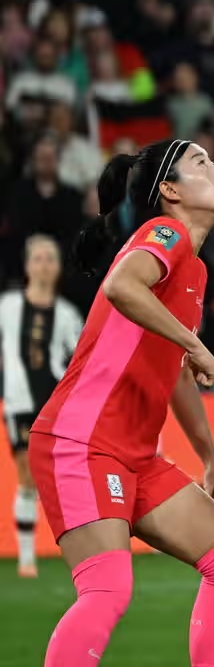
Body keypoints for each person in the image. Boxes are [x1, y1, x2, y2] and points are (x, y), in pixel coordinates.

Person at [27, 138, 214, 665]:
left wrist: (209, 453)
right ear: (170, 191)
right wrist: (197, 342)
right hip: (80, 440)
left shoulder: (193, 270)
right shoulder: (164, 232)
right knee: (107, 589)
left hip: (134, 455)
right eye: (202, 162)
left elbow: (175, 373)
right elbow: (121, 287)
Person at [1, 234, 82, 578]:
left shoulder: (66, 314)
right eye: (39, 258)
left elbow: (80, 359)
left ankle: (78, 551)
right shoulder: (7, 307)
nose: (45, 264)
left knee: (66, 478)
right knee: (27, 473)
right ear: (27, 265)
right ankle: (27, 558)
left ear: (59, 267)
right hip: (19, 402)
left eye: (51, 258)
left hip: (55, 405)